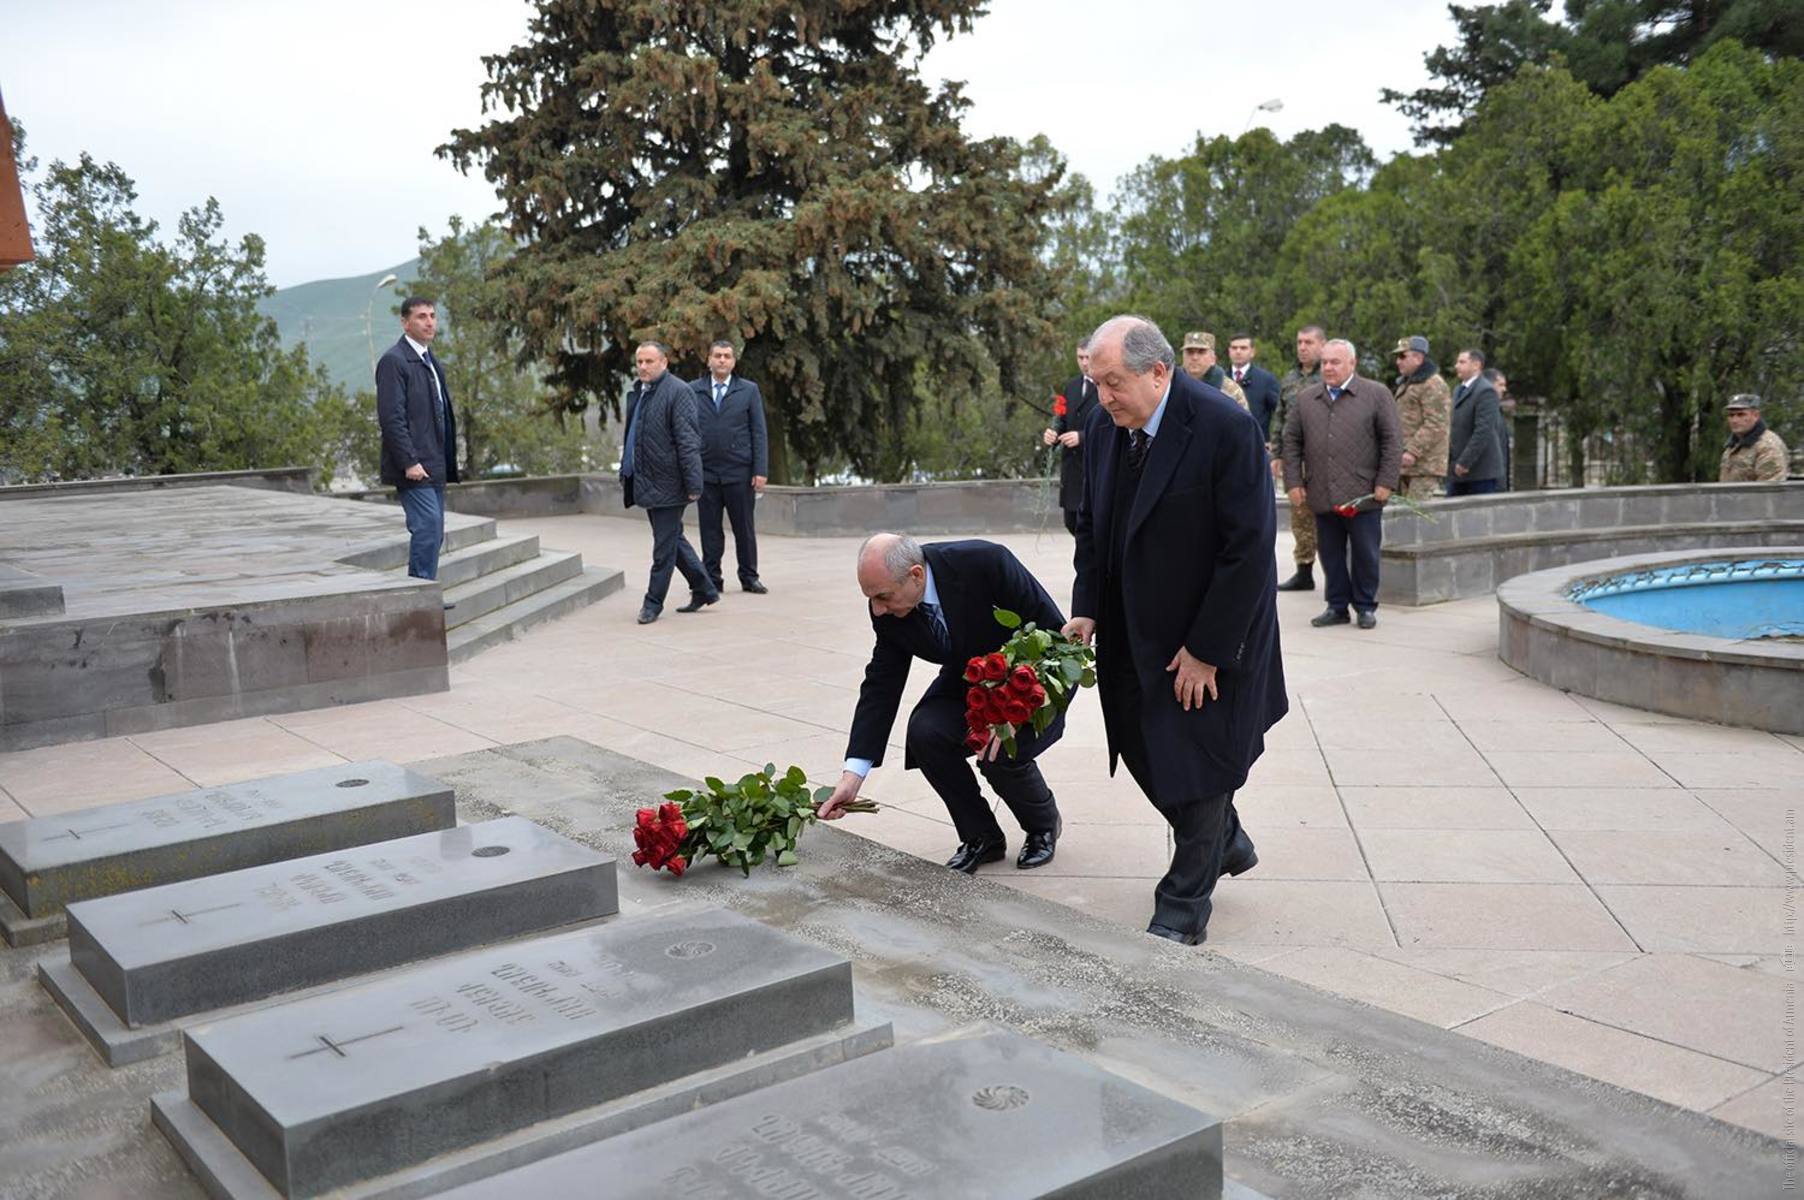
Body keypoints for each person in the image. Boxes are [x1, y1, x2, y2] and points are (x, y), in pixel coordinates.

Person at [1064, 315, 1287, 947]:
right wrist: (1087, 607)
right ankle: (1224, 836)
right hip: (1131, 628)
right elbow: (1092, 527)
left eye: (1114, 382)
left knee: (1200, 763)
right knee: (1141, 744)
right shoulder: (1103, 427)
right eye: (1096, 383)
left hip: (1207, 630)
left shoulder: (1225, 428)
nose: (1103, 397)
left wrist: (1207, 651)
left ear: (1159, 372)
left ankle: (1183, 908)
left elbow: (1248, 551)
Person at [816, 534, 1067, 874]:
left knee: (999, 754)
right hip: (972, 678)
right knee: (926, 733)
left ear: (916, 575)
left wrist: (1012, 707)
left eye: (883, 597)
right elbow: (882, 682)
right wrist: (853, 775)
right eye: (871, 598)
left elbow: (1055, 637)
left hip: (1033, 679)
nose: (877, 609)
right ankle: (981, 836)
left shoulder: (986, 562)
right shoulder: (888, 602)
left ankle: (1042, 825)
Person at [1282, 338, 1401, 630]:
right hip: (1322, 491)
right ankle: (1336, 606)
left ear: (1352, 363)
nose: (1328, 368)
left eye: (1335, 362)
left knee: (1365, 553)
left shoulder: (1376, 394)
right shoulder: (1307, 399)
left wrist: (1386, 481)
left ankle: (1365, 606)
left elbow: (1392, 441)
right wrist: (1293, 482)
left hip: (1364, 493)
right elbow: (1291, 441)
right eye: (1324, 362)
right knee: (1330, 554)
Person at [620, 341, 718, 624]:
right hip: (647, 481)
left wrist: (694, 484)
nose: (643, 367)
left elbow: (688, 441)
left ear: (664, 362)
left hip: (670, 483)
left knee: (663, 549)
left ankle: (652, 603)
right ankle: (704, 588)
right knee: (673, 539)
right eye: (639, 361)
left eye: (649, 361)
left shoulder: (678, 391)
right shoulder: (640, 391)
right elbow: (634, 436)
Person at [376, 297, 460, 586]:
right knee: (427, 526)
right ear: (405, 322)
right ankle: (419, 594)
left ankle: (424, 591)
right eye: (421, 316)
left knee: (434, 532)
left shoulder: (430, 360)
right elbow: (391, 418)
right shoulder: (394, 361)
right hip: (414, 466)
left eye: (433, 316)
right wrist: (409, 461)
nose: (429, 322)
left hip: (435, 463)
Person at [690, 340, 770, 594]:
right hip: (706, 473)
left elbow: (758, 432)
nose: (722, 360)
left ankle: (749, 577)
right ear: (709, 360)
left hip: (740, 472)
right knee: (710, 531)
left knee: (744, 529)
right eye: (717, 355)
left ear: (734, 362)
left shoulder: (748, 390)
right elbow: (687, 431)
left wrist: (760, 470)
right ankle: (712, 579)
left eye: (726, 356)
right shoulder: (693, 390)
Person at [1273, 325, 1324, 592]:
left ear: (1322, 345)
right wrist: (1277, 453)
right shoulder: (1290, 378)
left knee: (1329, 517)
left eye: (1308, 342)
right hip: (1295, 457)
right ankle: (1304, 571)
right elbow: (1280, 416)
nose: (1302, 347)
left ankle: (1340, 574)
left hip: (1325, 458)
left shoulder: (1329, 375)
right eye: (1299, 342)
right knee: (1300, 517)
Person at [1043, 338, 1100, 535]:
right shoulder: (1072, 387)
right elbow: (1062, 420)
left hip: (1094, 468)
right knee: (1072, 523)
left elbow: (1112, 426)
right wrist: (1053, 434)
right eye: (1080, 357)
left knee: (1092, 528)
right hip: (1072, 472)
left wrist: (1082, 437)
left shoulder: (1106, 386)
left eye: (1088, 357)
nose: (1084, 362)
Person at [1390, 335, 1450, 501]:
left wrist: (1413, 451)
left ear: (1418, 358)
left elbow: (1436, 424)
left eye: (1402, 356)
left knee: (1418, 513)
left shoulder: (1433, 384)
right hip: (1406, 465)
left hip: (1424, 466)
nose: (1398, 361)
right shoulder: (1408, 383)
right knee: (1403, 511)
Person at [1447, 348, 1505, 495]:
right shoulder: (1459, 389)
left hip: (1480, 471)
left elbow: (1483, 431)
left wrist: (1465, 461)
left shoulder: (1485, 391)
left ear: (1476, 365)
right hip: (1458, 470)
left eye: (1462, 362)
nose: (1456, 366)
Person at [1719, 394, 1790, 482]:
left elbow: (1769, 487)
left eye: (1741, 415)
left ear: (1755, 416)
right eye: (1731, 415)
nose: (1734, 420)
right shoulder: (1733, 446)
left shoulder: (1768, 446)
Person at [1227, 334, 1281, 443]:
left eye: (1243, 348)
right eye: (1234, 348)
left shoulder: (1266, 380)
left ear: (1252, 352)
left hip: (1256, 443)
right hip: (1226, 443)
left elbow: (1281, 412)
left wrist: (1275, 442)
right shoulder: (1220, 379)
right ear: (1229, 351)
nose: (1238, 351)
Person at [1180, 331, 1249, 411]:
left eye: (1201, 352)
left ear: (1213, 359)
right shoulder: (1172, 383)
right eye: (1190, 352)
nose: (1194, 357)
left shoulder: (1231, 390)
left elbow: (1243, 418)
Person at [1486, 367, 1515, 490]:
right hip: (1488, 480)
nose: (1504, 389)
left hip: (1498, 479)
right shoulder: (1485, 411)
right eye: (1500, 385)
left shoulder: (1496, 410)